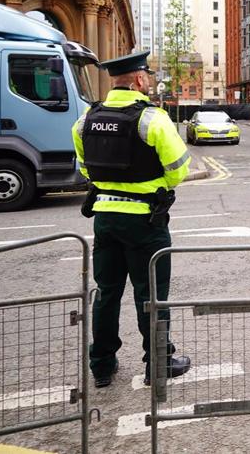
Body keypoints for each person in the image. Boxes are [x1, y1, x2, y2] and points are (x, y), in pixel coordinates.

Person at [72, 51, 192, 388]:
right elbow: (178, 170)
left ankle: (102, 366)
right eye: (147, 76)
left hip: (105, 218)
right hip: (144, 222)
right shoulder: (151, 119)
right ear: (139, 79)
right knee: (150, 294)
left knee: (107, 293)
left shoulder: (86, 119)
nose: (149, 81)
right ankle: (158, 362)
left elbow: (84, 167)